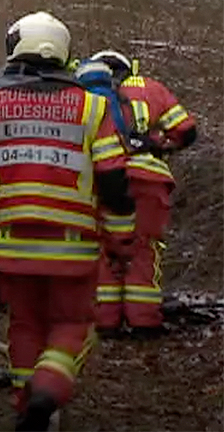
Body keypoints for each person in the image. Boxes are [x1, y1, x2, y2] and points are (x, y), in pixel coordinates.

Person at [0, 11, 136, 432]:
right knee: (71, 324)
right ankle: (48, 391)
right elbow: (114, 182)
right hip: (74, 248)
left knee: (25, 324)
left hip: (10, 248)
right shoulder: (93, 109)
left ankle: (25, 403)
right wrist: (122, 244)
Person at [76, 49, 198, 335]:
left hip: (100, 180)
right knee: (144, 247)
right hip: (148, 179)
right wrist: (162, 146)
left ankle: (106, 321)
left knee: (105, 248)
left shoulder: (83, 96)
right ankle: (143, 320)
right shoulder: (150, 88)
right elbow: (187, 130)